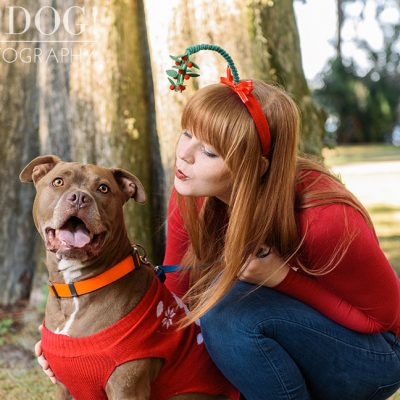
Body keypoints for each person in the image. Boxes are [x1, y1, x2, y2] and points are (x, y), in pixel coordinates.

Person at [37, 45, 400, 399]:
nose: (185, 154)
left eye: (209, 152)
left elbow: (383, 320)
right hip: (284, 341)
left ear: (252, 168)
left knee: (230, 316)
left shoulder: (326, 220)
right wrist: (71, 350)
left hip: (374, 358)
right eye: (187, 134)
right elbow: (178, 295)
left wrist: (282, 279)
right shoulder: (193, 192)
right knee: (226, 314)